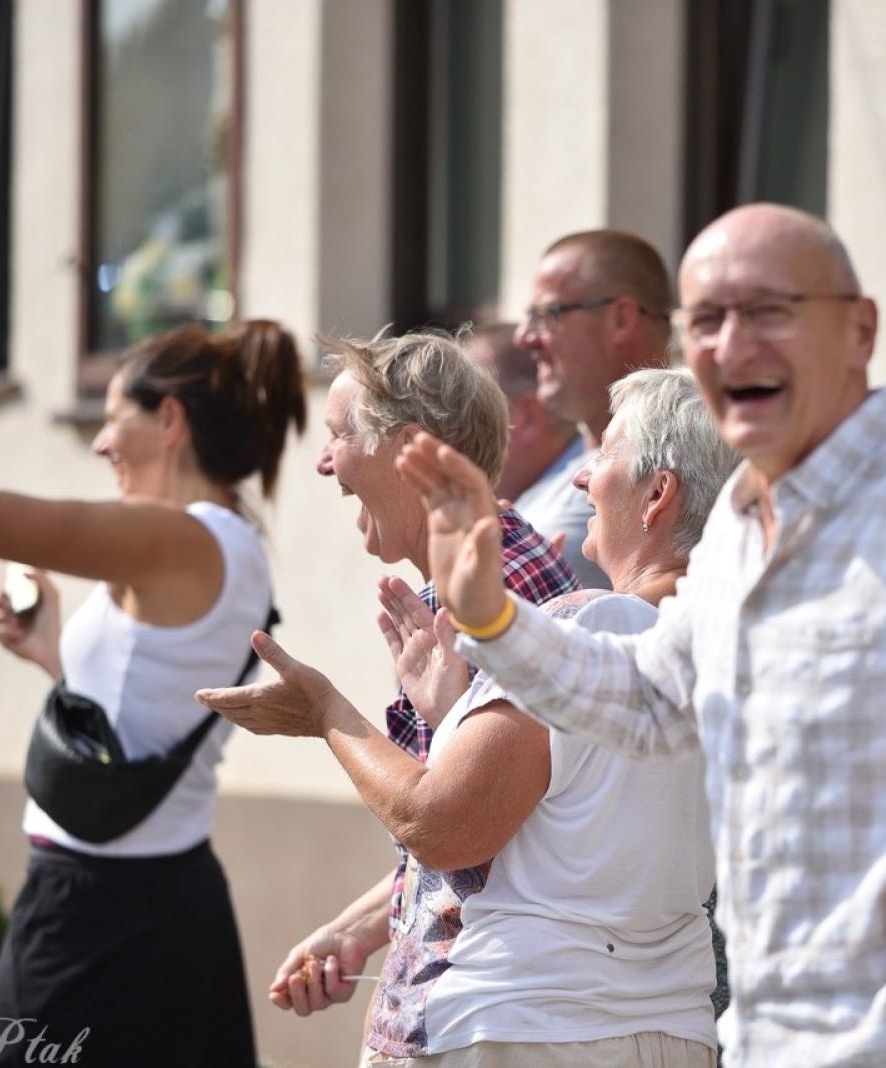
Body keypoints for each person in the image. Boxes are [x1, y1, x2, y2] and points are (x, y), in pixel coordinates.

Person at [397, 204, 886, 1067]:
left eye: (769, 311)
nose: (733, 344)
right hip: (790, 1034)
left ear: (859, 331)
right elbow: (651, 698)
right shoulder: (743, 517)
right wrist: (491, 618)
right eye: (709, 320)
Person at [199, 367, 737, 1066]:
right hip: (668, 1032)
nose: (581, 477)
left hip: (535, 1032)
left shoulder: (591, 627)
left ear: (658, 494)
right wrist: (455, 711)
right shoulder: (727, 654)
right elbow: (582, 828)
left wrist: (326, 711)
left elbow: (441, 826)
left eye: (605, 454)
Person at [0, 243, 307, 1065]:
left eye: (113, 417)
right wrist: (53, 657)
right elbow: (156, 708)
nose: (101, 442)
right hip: (178, 904)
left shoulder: (172, 537)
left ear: (169, 420)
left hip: (91, 910)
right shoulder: (236, 546)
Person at [194, 330, 579, 1038]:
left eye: (339, 434)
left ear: (409, 451)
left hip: (494, 1021)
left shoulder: (492, 597)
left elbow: (451, 825)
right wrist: (356, 929)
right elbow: (491, 826)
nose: (323, 461)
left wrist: (325, 713)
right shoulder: (486, 575)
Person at [510, 229, 678, 587]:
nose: (524, 337)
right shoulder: (558, 476)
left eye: (548, 313)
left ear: (621, 319)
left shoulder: (684, 463)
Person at [461, 323, 602, 588]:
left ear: (526, 416)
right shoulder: (544, 496)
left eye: (463, 410)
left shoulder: (586, 496)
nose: (443, 432)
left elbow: (483, 597)